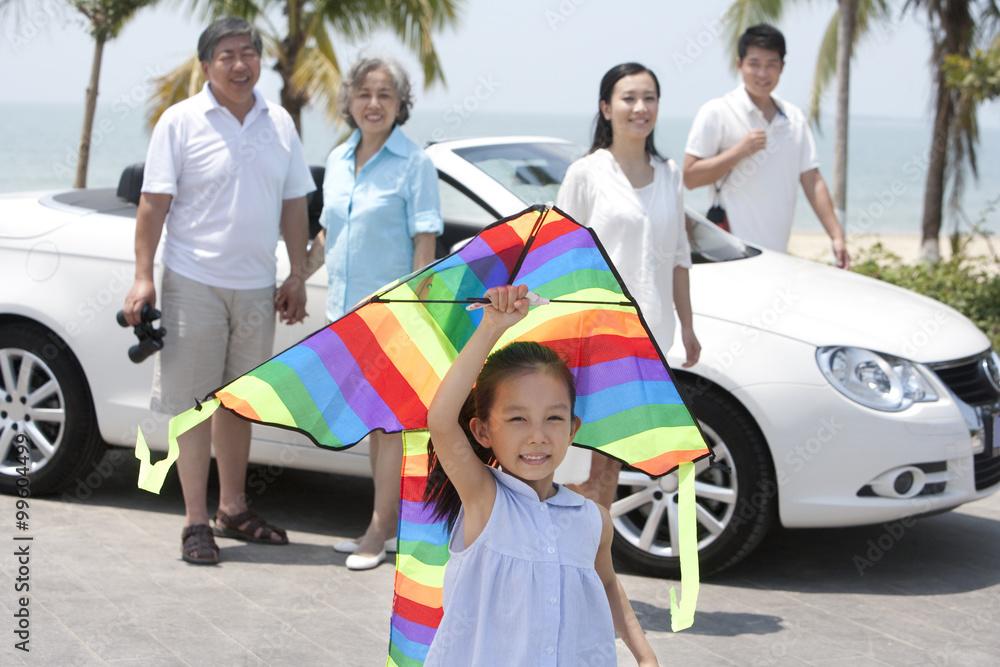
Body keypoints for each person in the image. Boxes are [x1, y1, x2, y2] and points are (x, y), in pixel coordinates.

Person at [123, 17, 315, 565]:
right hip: (193, 283)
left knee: (239, 403)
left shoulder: (279, 124)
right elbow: (153, 204)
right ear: (207, 66)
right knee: (193, 407)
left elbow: (294, 204)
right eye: (227, 54)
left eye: (248, 53)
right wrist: (142, 275)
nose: (240, 63)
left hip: (256, 287)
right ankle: (194, 522)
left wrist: (296, 273)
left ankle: (233, 508)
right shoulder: (179, 122)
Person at [423, 284, 658, 666]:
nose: (537, 435)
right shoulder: (485, 500)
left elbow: (608, 584)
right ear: (483, 431)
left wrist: (645, 656)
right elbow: (441, 420)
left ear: (573, 429)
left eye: (553, 417)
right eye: (517, 418)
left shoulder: (592, 519)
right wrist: (492, 327)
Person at [304, 56, 443, 570]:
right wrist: (296, 277)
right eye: (364, 93)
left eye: (385, 94)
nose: (374, 104)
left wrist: (417, 312)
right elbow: (327, 235)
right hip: (344, 316)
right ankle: (382, 523)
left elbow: (424, 241)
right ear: (350, 102)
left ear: (400, 104)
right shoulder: (339, 159)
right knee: (373, 425)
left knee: (390, 426)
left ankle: (379, 530)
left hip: (393, 315)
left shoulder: (414, 163)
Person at [556, 62, 700, 509]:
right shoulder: (586, 174)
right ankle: (579, 567)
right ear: (606, 108)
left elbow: (679, 256)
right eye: (628, 98)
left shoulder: (670, 173)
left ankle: (597, 570)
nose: (640, 107)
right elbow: (561, 259)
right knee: (578, 459)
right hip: (596, 338)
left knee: (613, 460)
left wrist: (688, 327)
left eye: (649, 98)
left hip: (648, 335)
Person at [683, 24, 850, 269]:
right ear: (739, 64)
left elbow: (812, 180)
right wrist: (739, 150)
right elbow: (690, 177)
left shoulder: (793, 119)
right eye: (754, 63)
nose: (762, 73)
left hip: (777, 253)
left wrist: (836, 236)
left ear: (782, 67)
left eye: (771, 64)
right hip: (730, 253)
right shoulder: (717, 112)